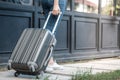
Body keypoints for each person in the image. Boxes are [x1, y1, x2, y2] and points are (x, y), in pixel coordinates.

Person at [41, 0, 67, 72]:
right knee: (51, 32)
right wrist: (56, 4)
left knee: (49, 30)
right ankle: (46, 63)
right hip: (56, 2)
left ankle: (50, 61)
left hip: (46, 2)